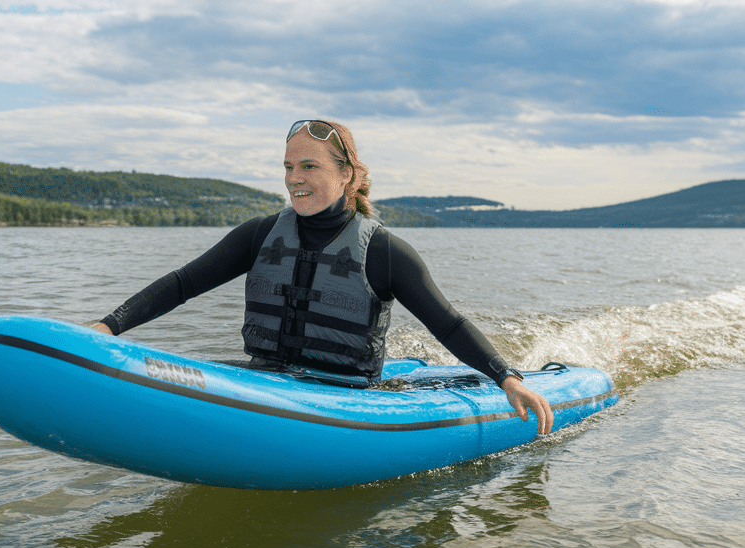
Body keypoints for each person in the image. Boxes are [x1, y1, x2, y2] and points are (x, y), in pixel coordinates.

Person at [83, 119, 553, 434]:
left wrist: (506, 378)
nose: (294, 178)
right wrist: (109, 326)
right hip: (265, 380)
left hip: (346, 398)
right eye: (288, 167)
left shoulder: (384, 252)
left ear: (348, 175)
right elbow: (183, 284)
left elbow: (447, 324)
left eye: (309, 166)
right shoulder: (261, 234)